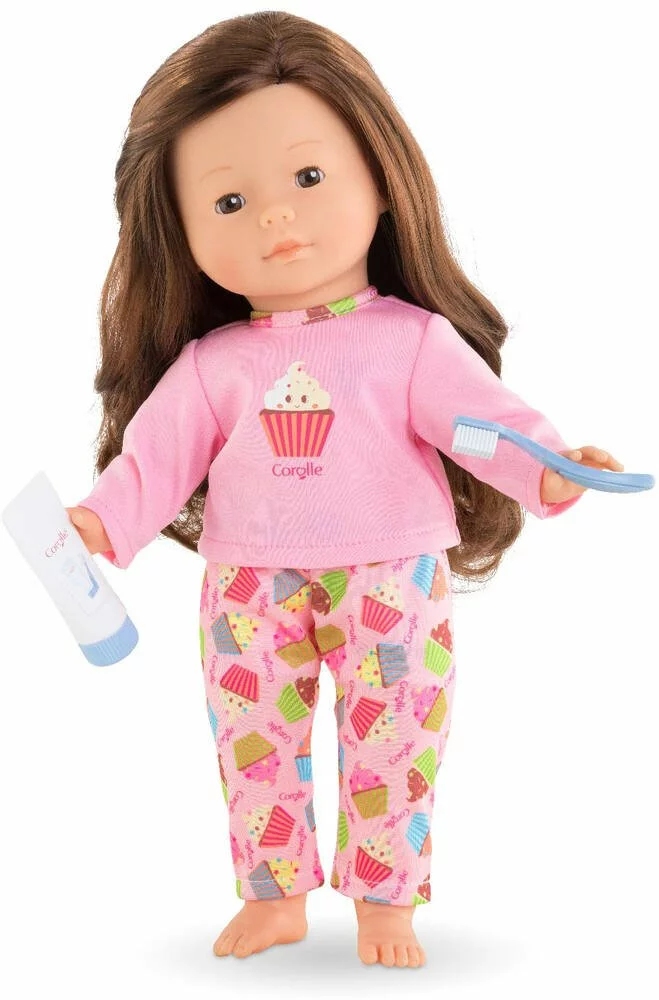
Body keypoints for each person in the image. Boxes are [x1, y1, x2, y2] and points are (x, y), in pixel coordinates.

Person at [65, 12, 623, 969]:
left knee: (396, 743)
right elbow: (155, 461)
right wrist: (95, 523)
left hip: (391, 574)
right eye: (229, 201)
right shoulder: (212, 363)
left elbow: (483, 422)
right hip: (248, 585)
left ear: (380, 175)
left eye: (308, 178)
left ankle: (384, 904)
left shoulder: (409, 340)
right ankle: (275, 895)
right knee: (253, 739)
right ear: (181, 233)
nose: (275, 217)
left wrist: (552, 468)